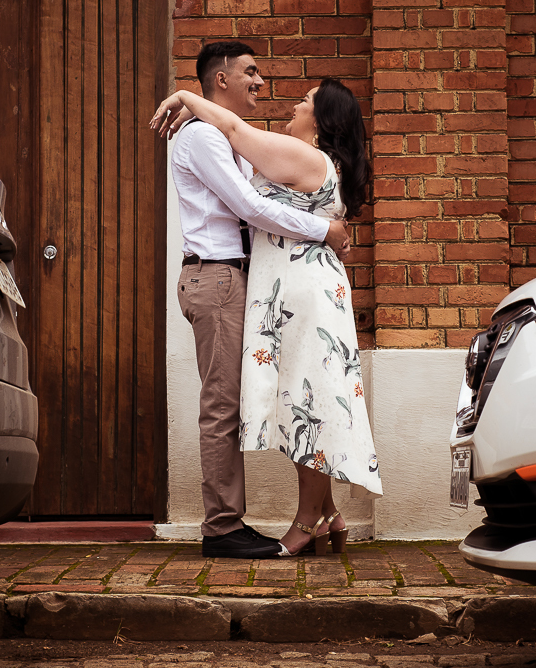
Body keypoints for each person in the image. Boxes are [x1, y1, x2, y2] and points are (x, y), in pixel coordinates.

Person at [153, 76, 382, 558]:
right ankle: (330, 515)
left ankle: (305, 523)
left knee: (310, 402)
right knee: (306, 396)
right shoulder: (313, 159)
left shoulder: (303, 156)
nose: (293, 106)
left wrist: (184, 97)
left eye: (305, 102)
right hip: (299, 288)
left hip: (304, 290)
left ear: (320, 123)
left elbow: (235, 133)